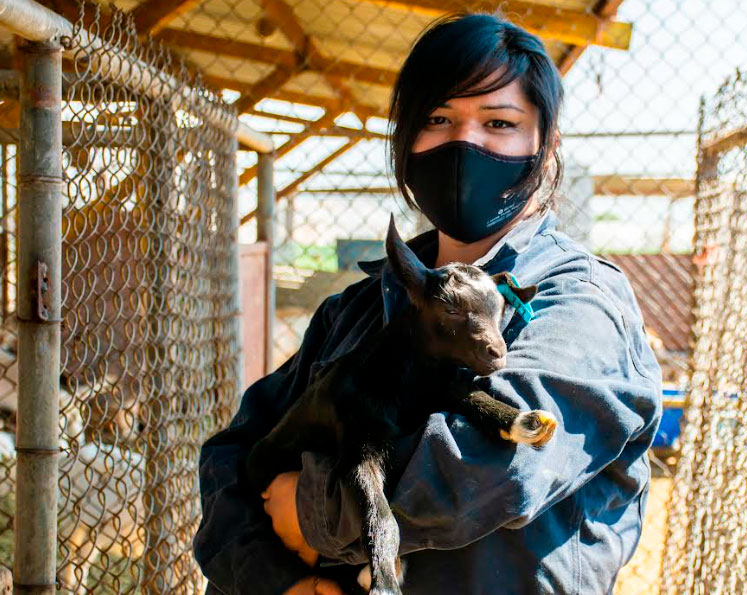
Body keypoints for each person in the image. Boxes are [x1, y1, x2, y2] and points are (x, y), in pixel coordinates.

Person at [193, 12, 662, 595]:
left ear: (546, 144)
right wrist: (280, 581)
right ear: (407, 137)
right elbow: (230, 459)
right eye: (439, 119)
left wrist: (316, 510)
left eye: (499, 122)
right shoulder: (358, 309)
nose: (466, 143)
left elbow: (498, 463)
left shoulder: (580, 302)